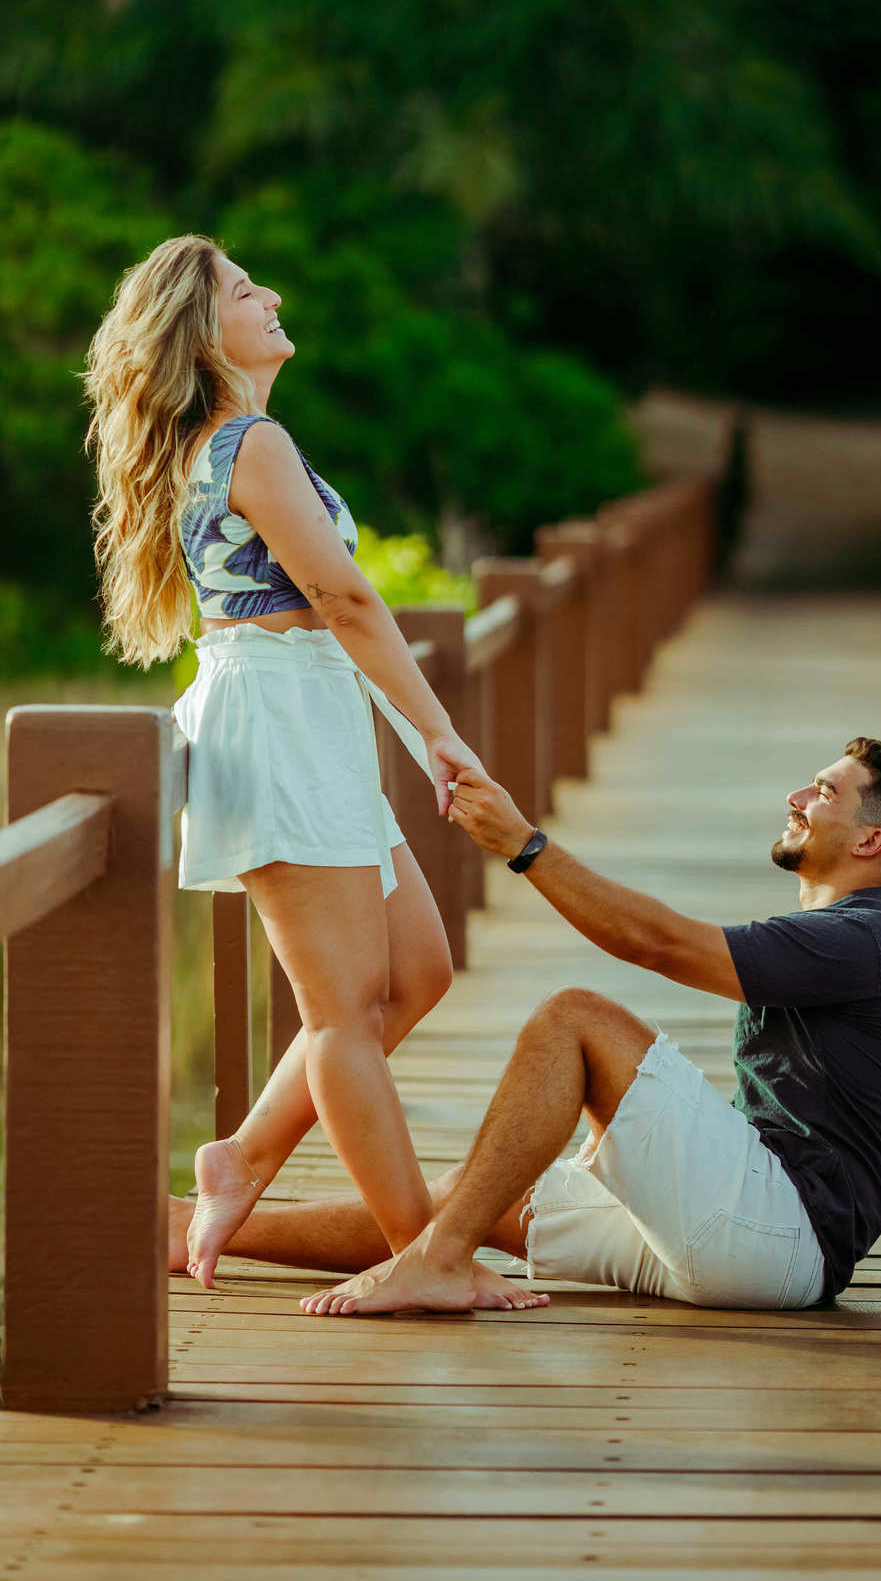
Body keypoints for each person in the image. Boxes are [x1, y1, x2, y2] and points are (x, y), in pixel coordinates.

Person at [166, 737, 881, 1312]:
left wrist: (524, 846)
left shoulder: (861, 943)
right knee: (486, 1194)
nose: (798, 798)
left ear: (869, 841)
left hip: (777, 1233)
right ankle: (192, 1231)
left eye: (824, 791)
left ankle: (433, 1264)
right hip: (764, 1245)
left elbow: (654, 943)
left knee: (577, 1021)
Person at [86, 232, 541, 1310]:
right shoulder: (250, 441)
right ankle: (420, 1263)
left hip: (306, 713)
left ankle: (238, 1159)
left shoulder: (235, 442)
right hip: (284, 719)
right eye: (247, 292)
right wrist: (441, 732)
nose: (274, 296)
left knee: (415, 974)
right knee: (341, 1014)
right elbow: (344, 601)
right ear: (205, 332)